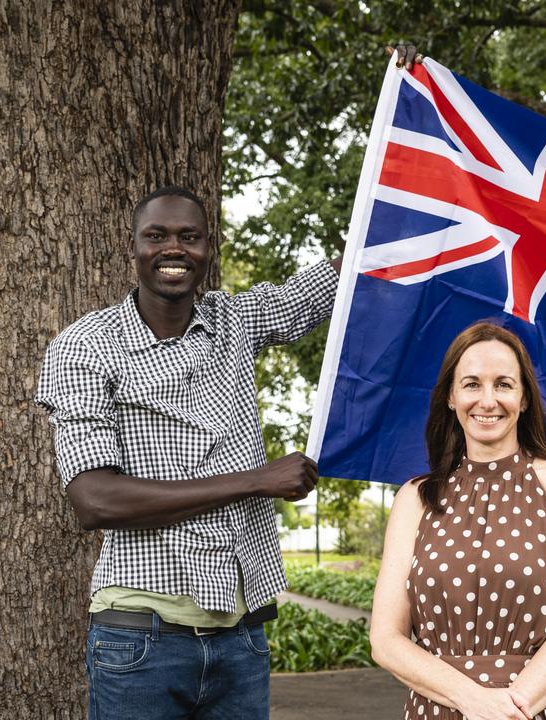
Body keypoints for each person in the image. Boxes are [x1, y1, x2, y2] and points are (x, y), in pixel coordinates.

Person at [35, 185, 339, 719]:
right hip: (141, 641)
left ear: (207, 248)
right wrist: (255, 480)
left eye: (189, 237)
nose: (173, 249)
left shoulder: (234, 321)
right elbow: (95, 500)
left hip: (241, 638)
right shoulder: (85, 345)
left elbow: (320, 290)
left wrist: (393, 226)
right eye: (157, 236)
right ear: (133, 246)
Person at [370, 322, 546, 720]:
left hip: (537, 708)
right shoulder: (414, 498)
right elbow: (386, 639)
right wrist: (473, 700)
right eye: (472, 384)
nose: (488, 400)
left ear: (525, 398)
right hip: (440, 707)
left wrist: (508, 710)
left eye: (504, 384)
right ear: (450, 396)